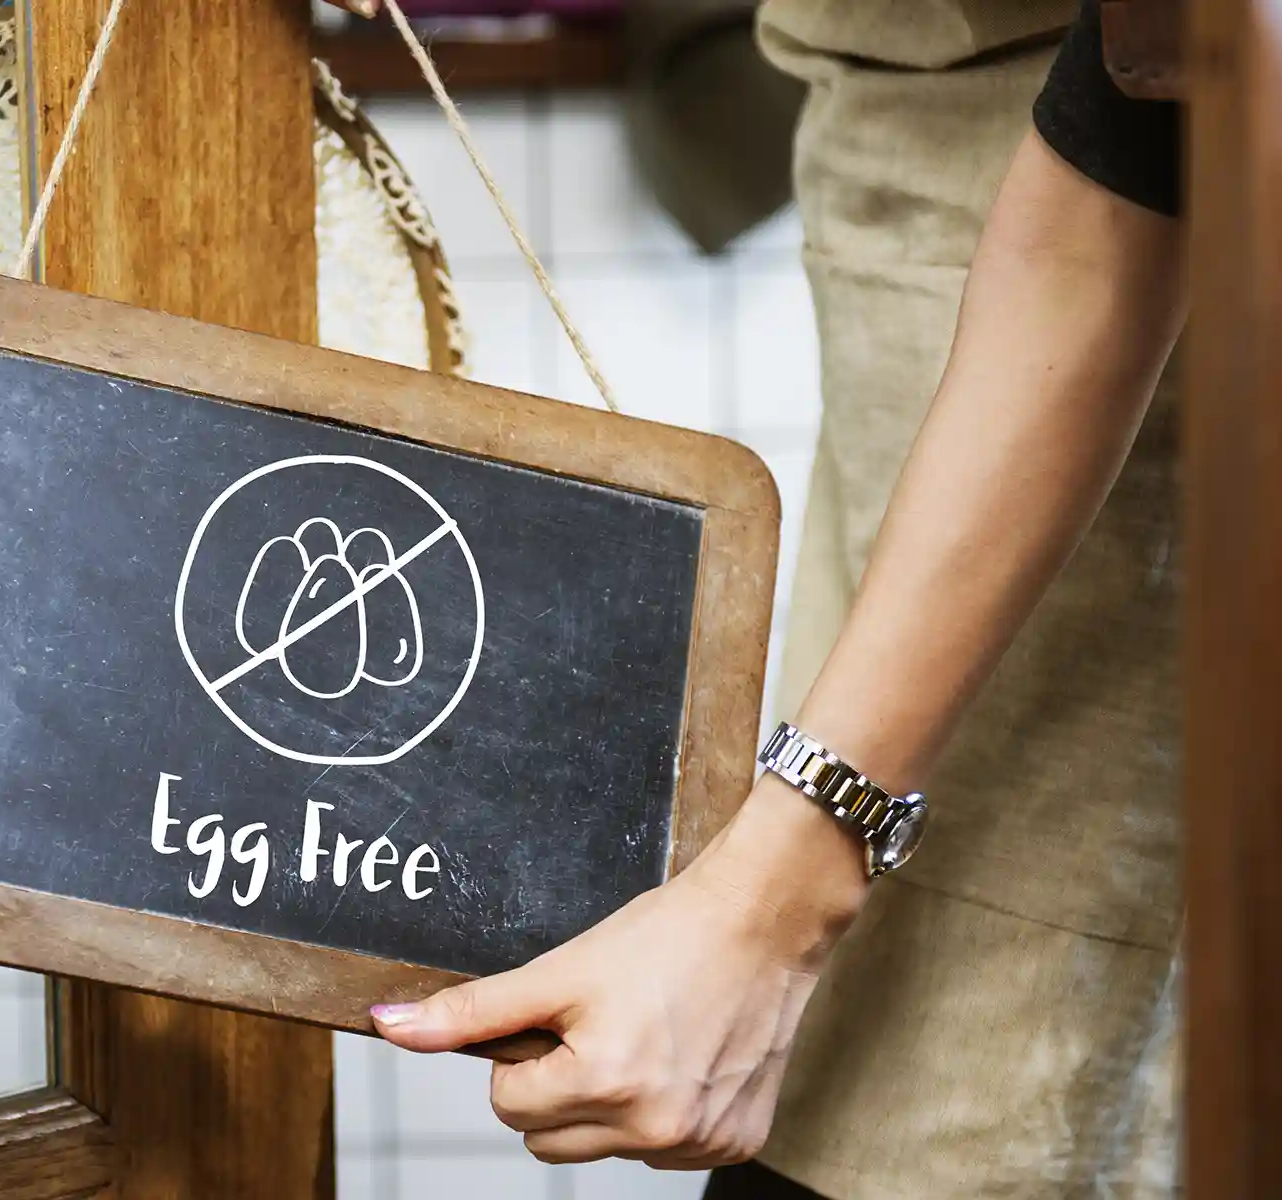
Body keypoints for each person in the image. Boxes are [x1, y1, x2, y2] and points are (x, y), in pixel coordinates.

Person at [368, 1, 1185, 1195]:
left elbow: (1127, 174)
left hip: (1117, 359)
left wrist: (779, 900)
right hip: (926, 285)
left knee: (958, 1112)